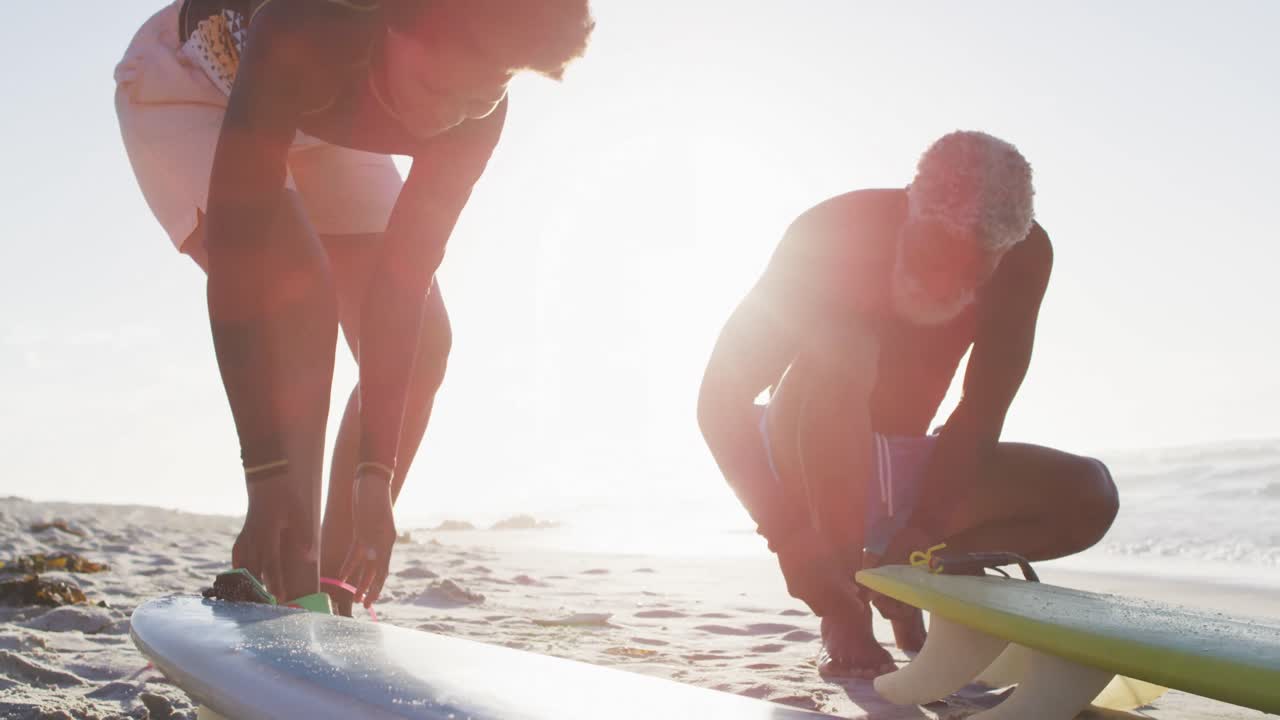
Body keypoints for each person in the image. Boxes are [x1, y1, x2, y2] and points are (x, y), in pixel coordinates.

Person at [115, 0, 594, 613]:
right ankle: (289, 582)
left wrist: (377, 475)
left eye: (478, 97)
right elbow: (241, 264)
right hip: (198, 83)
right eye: (439, 89)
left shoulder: (474, 113)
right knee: (299, 297)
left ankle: (332, 593)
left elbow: (402, 282)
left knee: (425, 347)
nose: (447, 119)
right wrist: (266, 474)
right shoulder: (305, 28)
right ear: (395, 19)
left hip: (327, 115)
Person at [697, 131, 1119, 677]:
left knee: (1090, 494)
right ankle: (845, 608)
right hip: (802, 447)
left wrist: (924, 527)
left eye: (973, 270)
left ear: (1004, 249)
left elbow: (984, 405)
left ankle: (915, 577)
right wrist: (787, 535)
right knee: (844, 347)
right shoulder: (833, 232)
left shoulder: (1026, 253)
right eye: (935, 254)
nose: (947, 281)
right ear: (910, 209)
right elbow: (719, 398)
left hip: (904, 462)